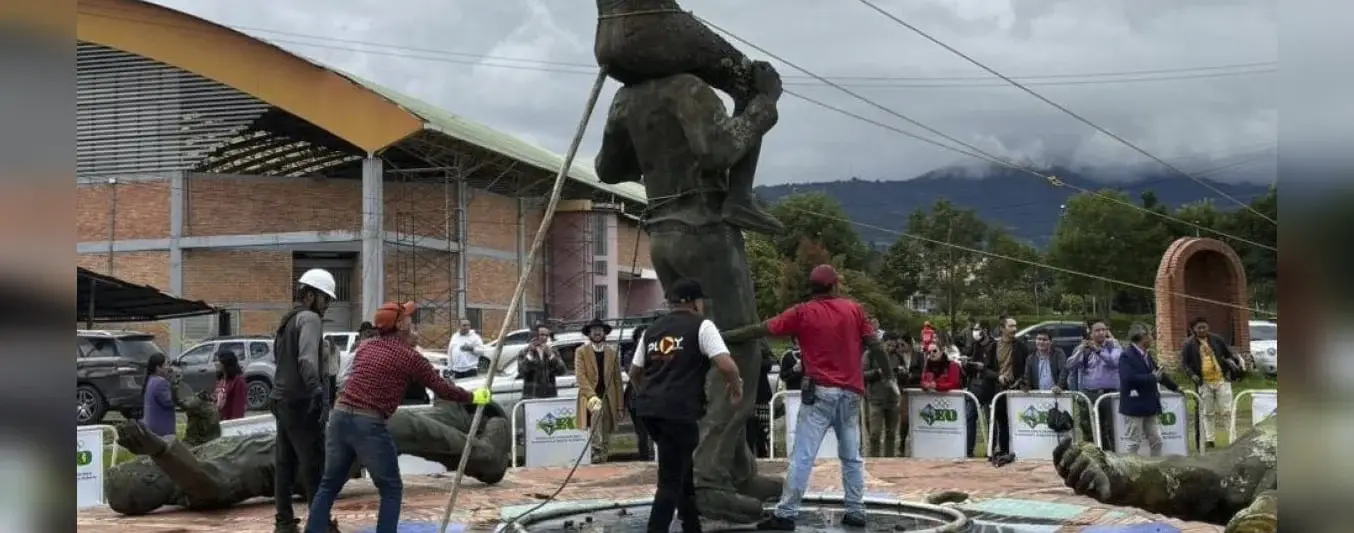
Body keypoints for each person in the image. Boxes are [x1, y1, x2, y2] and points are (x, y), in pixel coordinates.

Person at [721, 264, 895, 530]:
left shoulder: (801, 313)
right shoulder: (854, 309)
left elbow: (761, 329)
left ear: (812, 288)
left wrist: (722, 337)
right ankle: (856, 510)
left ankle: (787, 513)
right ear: (835, 285)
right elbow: (876, 345)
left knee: (804, 455)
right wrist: (889, 376)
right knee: (851, 455)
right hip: (851, 393)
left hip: (819, 393)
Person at [303, 301, 488, 533]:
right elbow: (442, 389)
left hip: (340, 417)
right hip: (368, 424)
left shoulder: (366, 347)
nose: (413, 323)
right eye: (409, 319)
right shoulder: (409, 357)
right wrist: (474, 397)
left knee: (329, 486)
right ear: (400, 325)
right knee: (391, 488)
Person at [629, 279, 744, 533]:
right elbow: (727, 365)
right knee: (669, 480)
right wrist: (736, 387)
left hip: (649, 411)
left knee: (682, 466)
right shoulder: (702, 326)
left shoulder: (652, 330)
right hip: (678, 412)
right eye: (701, 300)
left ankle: (691, 523)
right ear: (694, 302)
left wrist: (649, 396)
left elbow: (635, 371)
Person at [270, 268, 336, 533]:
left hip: (281, 400)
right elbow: (306, 360)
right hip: (301, 402)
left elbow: (279, 359)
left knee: (285, 464)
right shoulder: (309, 318)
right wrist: (317, 391)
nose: (328, 305)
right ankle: (320, 523)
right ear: (309, 296)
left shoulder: (287, 321)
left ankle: (284, 523)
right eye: (325, 298)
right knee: (314, 465)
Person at [1179, 317, 1245, 448]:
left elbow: (1228, 354)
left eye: (1205, 327)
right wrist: (1192, 375)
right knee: (1207, 412)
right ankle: (1210, 439)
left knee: (1226, 410)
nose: (1202, 330)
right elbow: (1185, 364)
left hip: (1221, 379)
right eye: (1199, 328)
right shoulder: (1189, 344)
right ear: (1194, 329)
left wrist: (1233, 364)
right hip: (1204, 382)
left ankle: (1232, 438)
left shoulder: (1217, 339)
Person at [1117, 324, 1178, 457]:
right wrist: (1151, 377)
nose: (1152, 338)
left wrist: (1175, 387)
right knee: (1133, 443)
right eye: (1150, 335)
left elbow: (1159, 374)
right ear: (1143, 337)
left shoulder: (1147, 355)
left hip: (1150, 405)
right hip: (1134, 405)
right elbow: (1127, 378)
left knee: (1157, 441)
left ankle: (1155, 468)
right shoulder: (1126, 356)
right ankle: (1129, 471)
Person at [1067, 319, 1122, 450]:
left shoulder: (1114, 346)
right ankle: (1092, 454)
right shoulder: (1084, 350)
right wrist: (1080, 350)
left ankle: (1111, 455)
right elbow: (1070, 366)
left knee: (1110, 428)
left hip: (1109, 394)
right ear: (1090, 333)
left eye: (1103, 330)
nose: (1101, 333)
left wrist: (1098, 351)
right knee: (1089, 428)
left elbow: (1114, 362)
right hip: (1089, 394)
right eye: (1097, 330)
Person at [575, 319, 625, 462]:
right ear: (589, 333)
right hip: (591, 396)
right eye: (594, 330)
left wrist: (620, 406)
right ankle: (596, 449)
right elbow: (581, 376)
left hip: (609, 396)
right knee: (596, 413)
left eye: (600, 330)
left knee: (607, 426)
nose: (597, 332)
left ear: (604, 333)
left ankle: (602, 456)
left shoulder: (612, 352)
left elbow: (617, 381)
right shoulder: (581, 352)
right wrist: (591, 395)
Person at [864, 332, 906, 457]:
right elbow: (863, 373)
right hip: (875, 398)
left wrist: (902, 373)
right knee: (875, 433)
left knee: (891, 433)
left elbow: (904, 377)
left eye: (894, 346)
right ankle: (874, 459)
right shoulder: (870, 354)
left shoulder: (898, 356)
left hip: (892, 399)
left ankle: (889, 460)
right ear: (883, 342)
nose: (891, 348)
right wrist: (877, 372)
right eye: (889, 345)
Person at [959, 320, 996, 458]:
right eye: (974, 329)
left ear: (985, 330)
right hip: (974, 386)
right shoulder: (975, 346)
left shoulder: (994, 346)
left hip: (989, 388)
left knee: (990, 420)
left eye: (977, 329)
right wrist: (966, 364)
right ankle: (968, 451)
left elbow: (995, 370)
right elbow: (970, 370)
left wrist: (983, 368)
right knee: (970, 416)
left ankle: (991, 450)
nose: (975, 332)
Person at [624, 325, 653, 461]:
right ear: (636, 339)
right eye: (641, 336)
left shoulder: (656, 352)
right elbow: (633, 373)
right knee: (642, 432)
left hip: (656, 397)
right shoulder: (630, 355)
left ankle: (654, 457)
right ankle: (645, 458)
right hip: (636, 398)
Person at [519, 324, 566, 399]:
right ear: (535, 335)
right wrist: (530, 354)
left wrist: (550, 355)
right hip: (531, 396)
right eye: (542, 335)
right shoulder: (525, 351)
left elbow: (562, 370)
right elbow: (521, 371)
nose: (544, 337)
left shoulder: (553, 351)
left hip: (549, 396)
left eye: (546, 335)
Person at [747, 341, 775, 458]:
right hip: (748, 394)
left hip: (761, 394)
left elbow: (768, 364)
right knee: (748, 427)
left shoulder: (763, 355)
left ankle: (764, 452)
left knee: (763, 428)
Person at [1022, 328, 1068, 394]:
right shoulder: (1030, 358)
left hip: (1057, 394)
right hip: (1039, 395)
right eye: (1039, 339)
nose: (1041, 342)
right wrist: (1026, 386)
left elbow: (1064, 371)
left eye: (1044, 339)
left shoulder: (1058, 353)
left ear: (1050, 342)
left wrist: (1059, 386)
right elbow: (1027, 377)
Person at [141, 353, 176, 438]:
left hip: (151, 428)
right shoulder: (161, 382)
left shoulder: (151, 379)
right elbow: (170, 402)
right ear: (158, 368)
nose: (168, 367)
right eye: (166, 364)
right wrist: (174, 384)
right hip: (162, 431)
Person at [214, 351, 248, 421]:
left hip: (230, 421)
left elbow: (238, 406)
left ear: (226, 363)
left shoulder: (238, 381)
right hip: (219, 419)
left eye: (218, 361)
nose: (215, 364)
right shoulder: (221, 379)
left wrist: (233, 424)